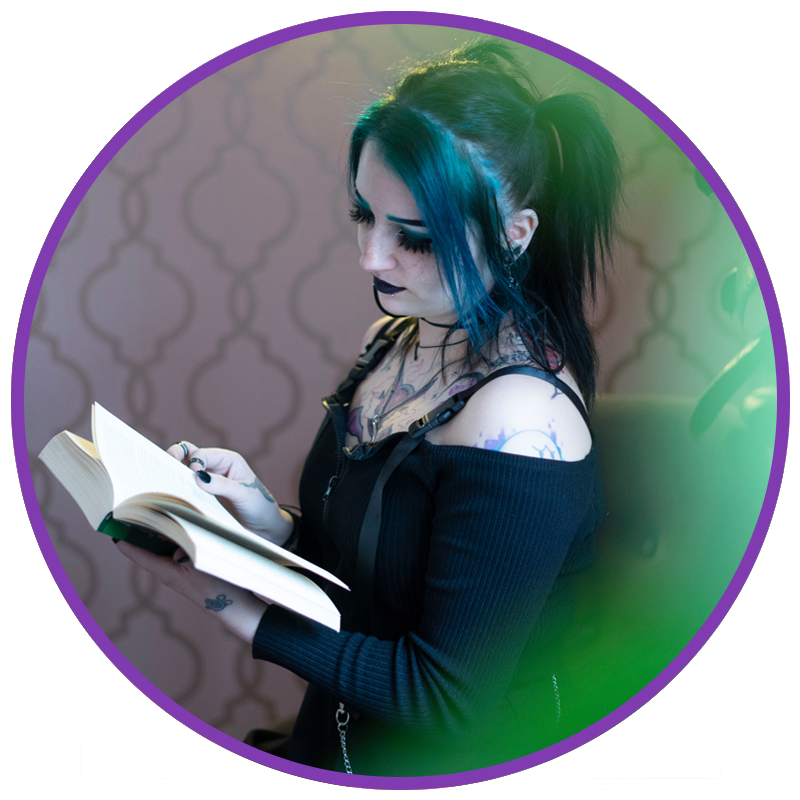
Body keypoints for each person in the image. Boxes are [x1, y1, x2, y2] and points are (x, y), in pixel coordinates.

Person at [118, 38, 621, 777]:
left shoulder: (521, 422)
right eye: (364, 214)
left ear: (515, 235)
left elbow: (446, 701)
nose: (371, 257)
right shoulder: (391, 340)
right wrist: (268, 522)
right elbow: (378, 589)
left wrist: (229, 601)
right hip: (337, 751)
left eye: (414, 238)